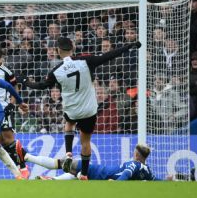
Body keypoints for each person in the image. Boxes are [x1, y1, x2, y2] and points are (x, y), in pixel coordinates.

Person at [19, 37, 141, 180]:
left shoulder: (56, 71)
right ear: (73, 49)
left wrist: (26, 81)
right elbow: (109, 55)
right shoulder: (86, 61)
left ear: (58, 51)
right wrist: (129, 46)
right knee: (85, 142)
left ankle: (69, 152)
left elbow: (41, 86)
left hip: (72, 109)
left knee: (69, 124)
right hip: (89, 110)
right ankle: (83, 174)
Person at [0, 46, 29, 178]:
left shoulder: (6, 71)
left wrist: (12, 104)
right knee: (3, 143)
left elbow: (15, 87)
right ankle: (22, 166)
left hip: (3, 109)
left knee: (8, 140)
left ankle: (23, 167)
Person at [33, 144, 160, 181]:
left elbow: (126, 174)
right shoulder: (147, 170)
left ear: (137, 155)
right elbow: (157, 181)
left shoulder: (134, 164)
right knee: (75, 175)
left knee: (63, 163)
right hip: (99, 175)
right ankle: (52, 181)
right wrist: (172, 180)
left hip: (96, 171)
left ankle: (27, 157)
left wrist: (116, 184)